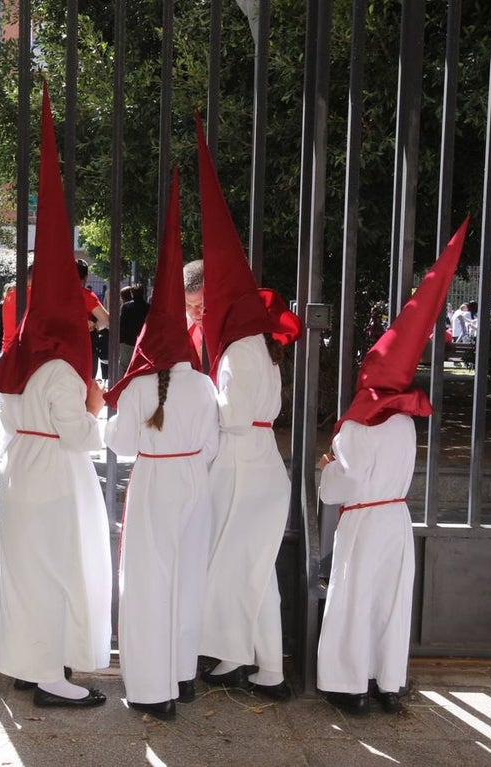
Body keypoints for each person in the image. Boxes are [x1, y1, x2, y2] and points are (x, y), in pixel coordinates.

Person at [0, 84, 111, 709]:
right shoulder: (64, 370)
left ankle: (25, 663)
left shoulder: (19, 357)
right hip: (56, 475)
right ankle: (52, 678)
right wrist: (97, 408)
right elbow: (82, 436)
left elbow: (11, 415)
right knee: (60, 568)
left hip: (18, 470)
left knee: (26, 573)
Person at [317, 218, 468, 717]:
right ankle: (387, 683)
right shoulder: (406, 423)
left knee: (354, 599)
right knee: (389, 601)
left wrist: (326, 472)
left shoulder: (354, 429)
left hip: (362, 520)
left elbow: (342, 486)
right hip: (396, 520)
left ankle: (350, 686)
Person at [104, 169, 218, 721]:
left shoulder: (138, 385)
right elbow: (213, 446)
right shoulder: (204, 385)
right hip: (195, 482)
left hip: (152, 482)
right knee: (187, 577)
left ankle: (153, 690)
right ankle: (182, 675)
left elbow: (120, 445)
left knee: (148, 581)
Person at [195, 117, 302, 700]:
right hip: (267, 461)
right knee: (257, 574)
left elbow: (229, 411)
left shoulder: (237, 347)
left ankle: (237, 659)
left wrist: (196, 396)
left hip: (238, 462)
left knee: (236, 567)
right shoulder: (263, 347)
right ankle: (268, 670)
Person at [118, 283, 149, 370]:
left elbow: (122, 324)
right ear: (143, 293)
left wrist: (121, 340)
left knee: (124, 365)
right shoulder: (148, 307)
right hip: (142, 343)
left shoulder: (126, 306)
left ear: (132, 294)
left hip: (127, 342)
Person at [183, 258, 206, 371]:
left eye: (200, 305)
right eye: (188, 305)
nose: (195, 313)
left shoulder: (233, 333)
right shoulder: (185, 331)